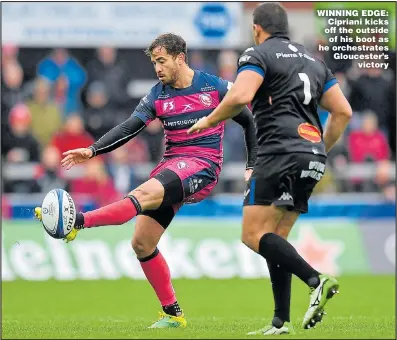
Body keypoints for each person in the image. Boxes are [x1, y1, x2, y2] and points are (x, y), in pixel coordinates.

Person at [34, 33, 257, 329]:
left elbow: (249, 120)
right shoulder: (157, 95)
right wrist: (92, 150)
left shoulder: (213, 86)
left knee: (143, 193)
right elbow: (129, 127)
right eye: (154, 62)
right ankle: (173, 314)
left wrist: (252, 164)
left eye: (162, 61)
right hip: (172, 166)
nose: (157, 68)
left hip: (202, 166)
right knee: (142, 243)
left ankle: (77, 223)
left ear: (180, 58)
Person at [189, 2, 352, 335]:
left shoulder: (257, 54)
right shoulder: (315, 62)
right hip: (312, 156)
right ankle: (281, 321)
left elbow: (240, 95)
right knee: (276, 238)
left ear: (256, 28)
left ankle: (316, 280)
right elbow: (344, 111)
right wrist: (320, 148)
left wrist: (209, 119)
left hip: (278, 152)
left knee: (252, 235)